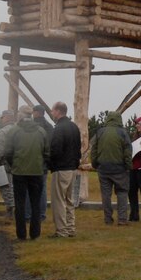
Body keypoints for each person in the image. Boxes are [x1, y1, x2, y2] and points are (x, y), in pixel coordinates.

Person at [0, 108, 48, 240]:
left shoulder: (14, 131)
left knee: (20, 204)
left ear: (20, 117)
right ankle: (35, 234)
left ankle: (21, 234)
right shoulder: (41, 131)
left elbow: (7, 152)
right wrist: (40, 165)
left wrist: (14, 165)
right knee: (35, 203)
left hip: (18, 172)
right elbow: (46, 152)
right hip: (37, 172)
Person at [90, 111, 131, 226]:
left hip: (103, 168)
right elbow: (127, 151)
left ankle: (108, 218)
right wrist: (128, 166)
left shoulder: (100, 132)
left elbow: (94, 150)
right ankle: (122, 219)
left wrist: (94, 164)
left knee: (106, 194)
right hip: (120, 168)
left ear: (108, 119)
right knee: (122, 193)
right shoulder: (123, 133)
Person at [48, 101, 81, 237]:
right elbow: (78, 147)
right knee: (69, 200)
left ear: (58, 111)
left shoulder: (59, 129)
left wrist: (51, 164)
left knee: (59, 201)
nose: (51, 113)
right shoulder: (74, 127)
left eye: (52, 110)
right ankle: (70, 228)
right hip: (72, 168)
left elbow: (55, 150)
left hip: (61, 168)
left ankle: (61, 231)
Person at [24, 104, 52, 222]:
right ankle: (41, 215)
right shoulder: (49, 127)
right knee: (42, 189)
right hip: (43, 164)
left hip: (30, 163)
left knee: (28, 189)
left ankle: (28, 215)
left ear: (35, 113)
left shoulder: (29, 126)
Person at [0, 110, 16, 217]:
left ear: (6, 117)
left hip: (5, 164)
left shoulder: (3, 131)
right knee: (14, 187)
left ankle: (11, 210)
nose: (1, 119)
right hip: (19, 163)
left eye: (2, 117)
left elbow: (0, 151)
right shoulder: (18, 129)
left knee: (4, 187)